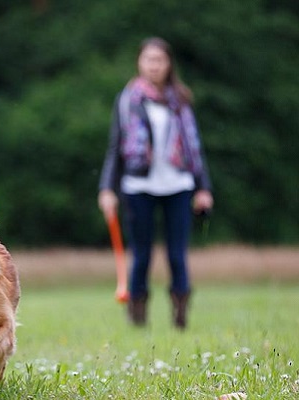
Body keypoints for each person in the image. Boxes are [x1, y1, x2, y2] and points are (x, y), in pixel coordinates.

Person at [98, 37, 213, 329]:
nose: (154, 66)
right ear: (140, 62)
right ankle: (137, 316)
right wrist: (107, 188)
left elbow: (194, 146)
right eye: (148, 60)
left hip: (178, 183)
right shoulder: (128, 100)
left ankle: (181, 313)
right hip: (139, 185)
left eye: (159, 60)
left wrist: (203, 188)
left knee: (177, 254)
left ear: (168, 64)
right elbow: (116, 147)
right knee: (142, 254)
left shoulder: (181, 99)